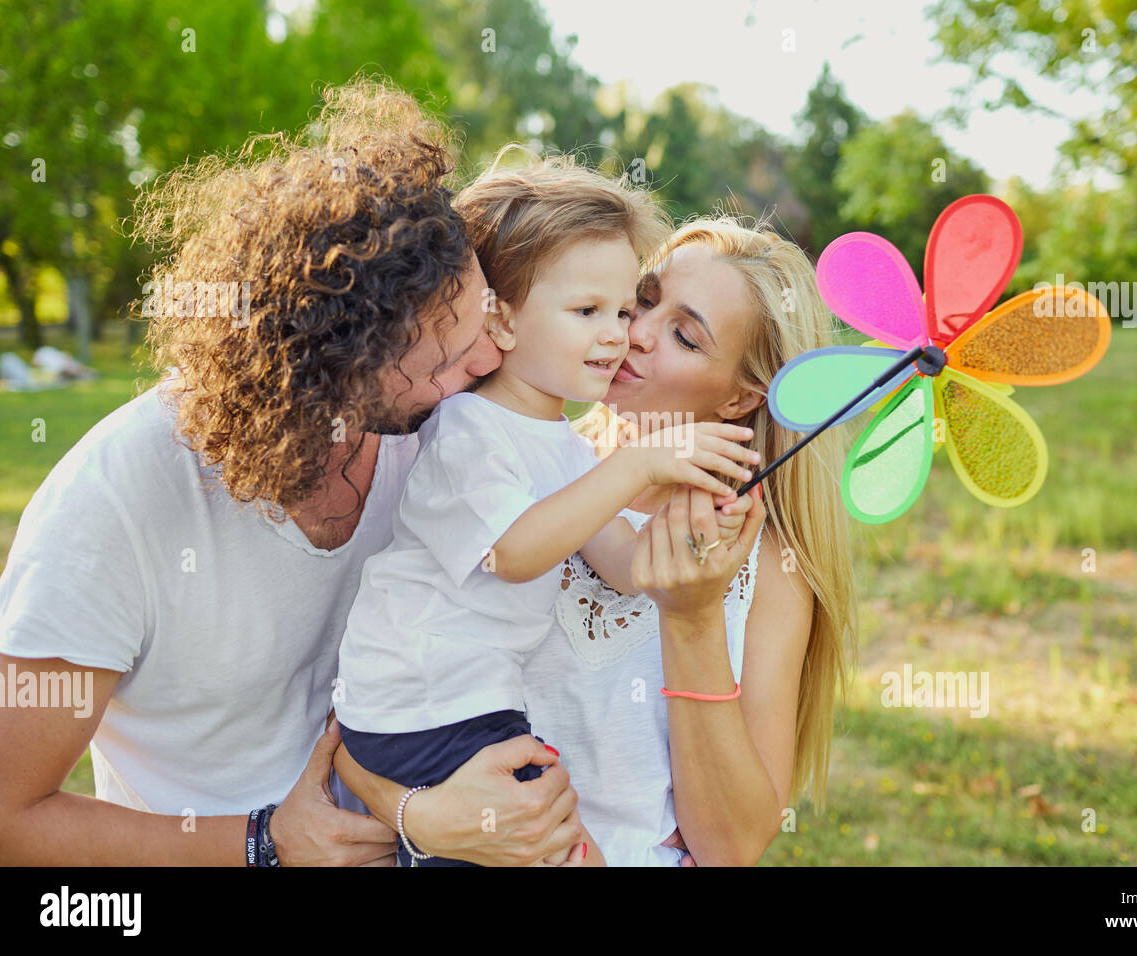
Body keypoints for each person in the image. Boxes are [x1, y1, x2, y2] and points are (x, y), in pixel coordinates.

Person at [0, 78, 586, 866]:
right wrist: (263, 843)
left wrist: (411, 811)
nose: (486, 362)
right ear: (335, 373)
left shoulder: (448, 431)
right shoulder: (111, 503)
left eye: (485, 322)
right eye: (443, 361)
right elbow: (5, 817)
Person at [335, 217, 856, 866]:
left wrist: (693, 617)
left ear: (739, 400)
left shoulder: (763, 566)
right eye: (642, 300)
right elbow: (358, 700)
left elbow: (734, 846)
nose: (632, 333)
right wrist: (417, 816)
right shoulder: (506, 462)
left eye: (683, 336)